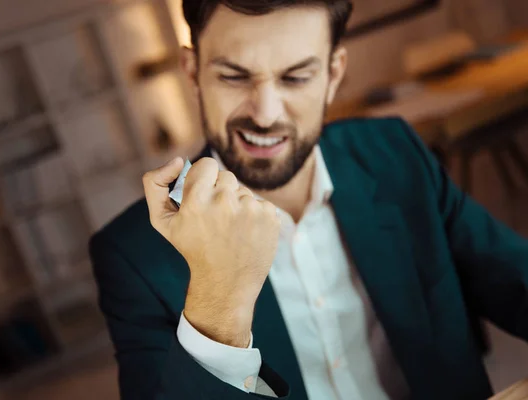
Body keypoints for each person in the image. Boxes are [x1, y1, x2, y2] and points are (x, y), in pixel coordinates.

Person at [89, 1, 528, 399]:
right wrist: (218, 303)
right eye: (233, 75)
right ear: (192, 71)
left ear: (333, 74)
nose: (265, 113)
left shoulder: (394, 152)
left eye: (296, 77)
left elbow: (515, 279)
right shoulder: (131, 253)